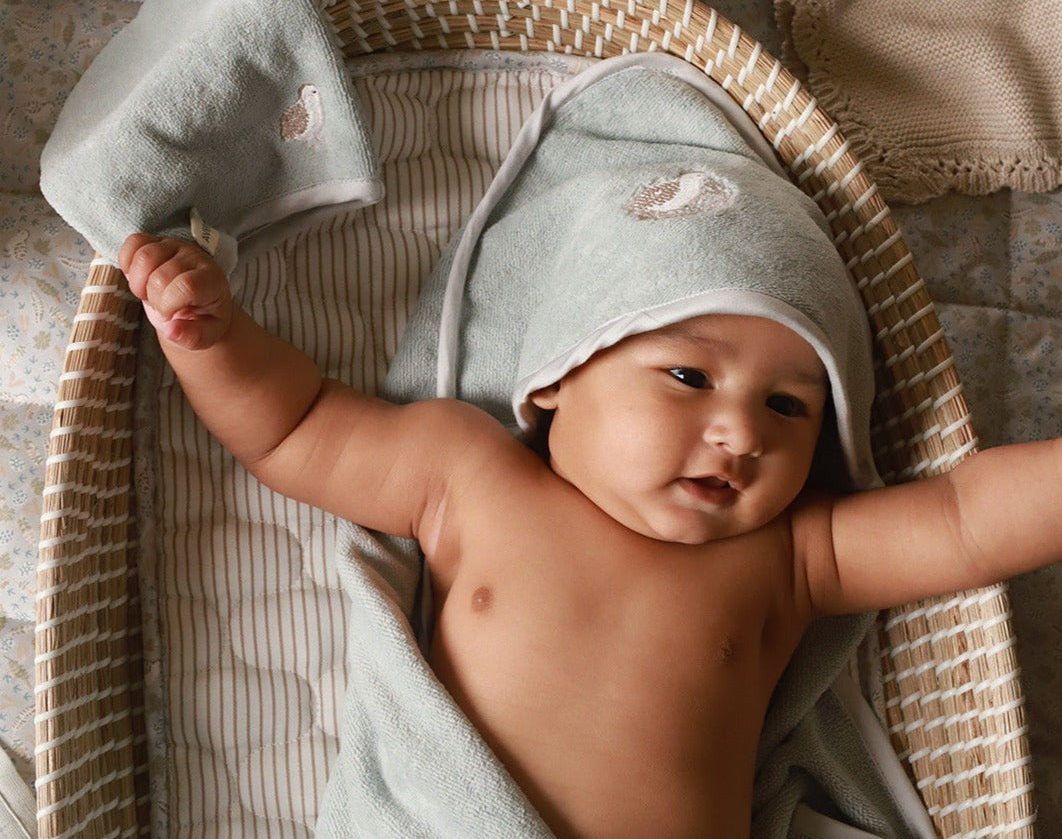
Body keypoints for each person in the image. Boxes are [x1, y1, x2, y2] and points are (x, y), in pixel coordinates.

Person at [119, 230, 1061, 839]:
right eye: (689, 377)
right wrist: (212, 338)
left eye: (788, 405)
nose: (742, 433)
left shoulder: (790, 556)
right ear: (561, 373)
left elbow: (962, 519)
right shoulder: (470, 473)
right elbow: (295, 426)